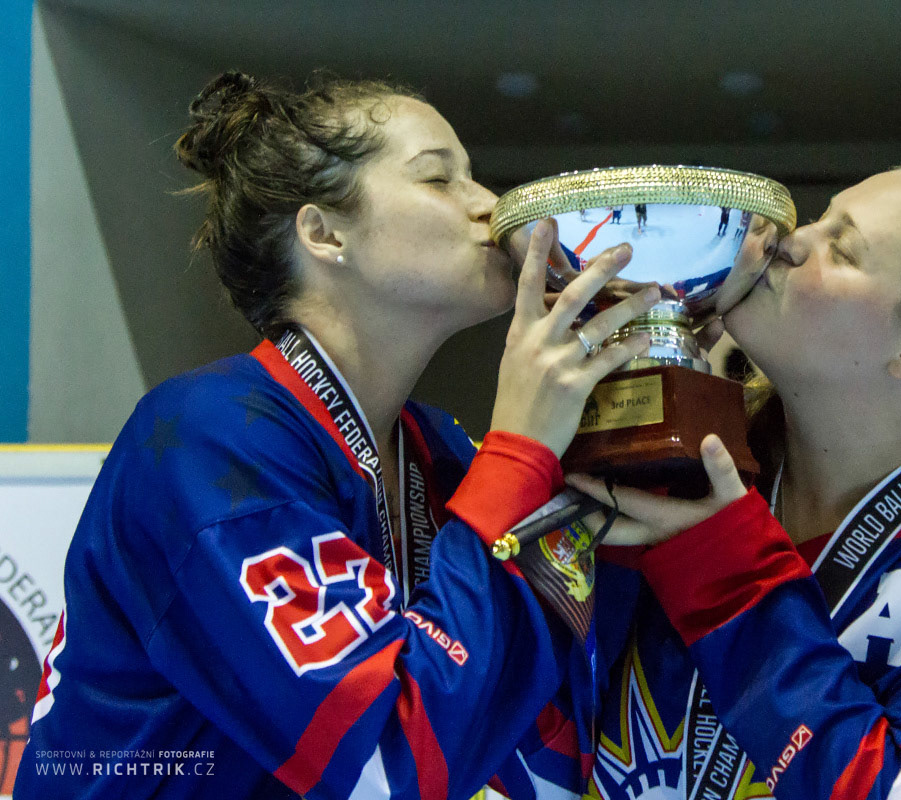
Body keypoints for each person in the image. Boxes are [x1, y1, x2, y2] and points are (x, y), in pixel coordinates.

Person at [15, 71, 661, 799]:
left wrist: (606, 475)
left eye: (474, 176)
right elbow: (382, 765)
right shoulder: (205, 442)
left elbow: (543, 749)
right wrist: (518, 453)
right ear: (324, 234)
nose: (491, 204)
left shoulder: (437, 452)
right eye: (439, 179)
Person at [560, 162, 901, 800]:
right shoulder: (678, 479)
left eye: (841, 249)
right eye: (817, 220)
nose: (789, 239)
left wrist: (730, 580)